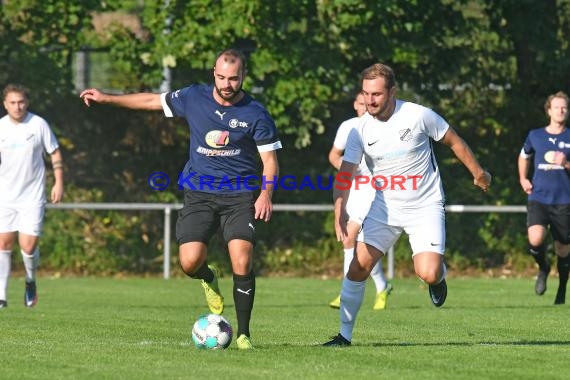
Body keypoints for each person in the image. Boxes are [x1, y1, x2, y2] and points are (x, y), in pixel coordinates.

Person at [80, 48, 281, 350]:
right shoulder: (193, 97)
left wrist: (265, 193)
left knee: (242, 259)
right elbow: (151, 100)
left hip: (239, 195)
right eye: (222, 77)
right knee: (189, 262)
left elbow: (270, 161)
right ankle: (208, 277)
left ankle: (243, 334)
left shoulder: (256, 113)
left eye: (234, 78)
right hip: (199, 194)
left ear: (244, 76)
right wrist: (108, 98)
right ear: (214, 72)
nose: (227, 84)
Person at [323, 63, 491, 346]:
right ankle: (344, 336)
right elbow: (345, 174)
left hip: (425, 206)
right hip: (384, 210)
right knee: (357, 268)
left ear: (392, 92)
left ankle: (437, 278)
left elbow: (454, 141)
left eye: (376, 94)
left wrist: (478, 173)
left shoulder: (417, 115)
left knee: (427, 272)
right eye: (365, 94)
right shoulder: (359, 130)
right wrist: (339, 210)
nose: (369, 101)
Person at [0, 84, 64, 308]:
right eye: (12, 103)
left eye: (21, 102)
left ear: (27, 103)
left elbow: (54, 152)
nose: (17, 107)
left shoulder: (38, 125)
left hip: (32, 196)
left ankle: (30, 280)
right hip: (5, 196)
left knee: (27, 246)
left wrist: (58, 182)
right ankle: (2, 295)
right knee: (3, 244)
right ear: (5, 104)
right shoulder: (1, 128)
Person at [328, 91, 391, 310]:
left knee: (352, 237)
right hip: (354, 189)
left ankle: (346, 290)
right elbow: (334, 156)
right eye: (362, 103)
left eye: (369, 103)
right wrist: (348, 170)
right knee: (353, 241)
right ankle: (382, 286)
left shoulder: (383, 126)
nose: (366, 106)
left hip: (374, 190)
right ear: (356, 104)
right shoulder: (348, 126)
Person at [518, 91, 570, 305]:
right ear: (549, 110)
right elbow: (524, 156)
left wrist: (566, 163)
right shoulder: (535, 135)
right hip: (539, 197)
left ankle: (562, 290)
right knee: (535, 240)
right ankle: (543, 268)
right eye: (557, 107)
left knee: (563, 249)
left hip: (564, 200)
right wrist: (523, 178)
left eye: (564, 107)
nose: (560, 110)